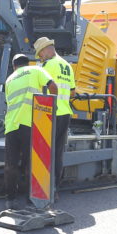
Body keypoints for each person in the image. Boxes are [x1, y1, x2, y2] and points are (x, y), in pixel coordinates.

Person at [3, 53, 57, 210]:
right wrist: (52, 109)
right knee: (31, 164)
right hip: (30, 123)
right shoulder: (36, 70)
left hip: (12, 125)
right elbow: (53, 86)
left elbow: (9, 102)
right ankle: (30, 201)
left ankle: (10, 200)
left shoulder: (9, 79)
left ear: (14, 66)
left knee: (11, 164)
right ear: (28, 63)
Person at [34, 36, 75, 184]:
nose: (40, 57)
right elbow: (73, 92)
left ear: (45, 50)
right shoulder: (67, 66)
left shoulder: (47, 66)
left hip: (50, 114)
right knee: (58, 153)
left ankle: (44, 187)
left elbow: (38, 89)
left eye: (40, 53)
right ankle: (55, 187)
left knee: (44, 152)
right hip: (65, 113)